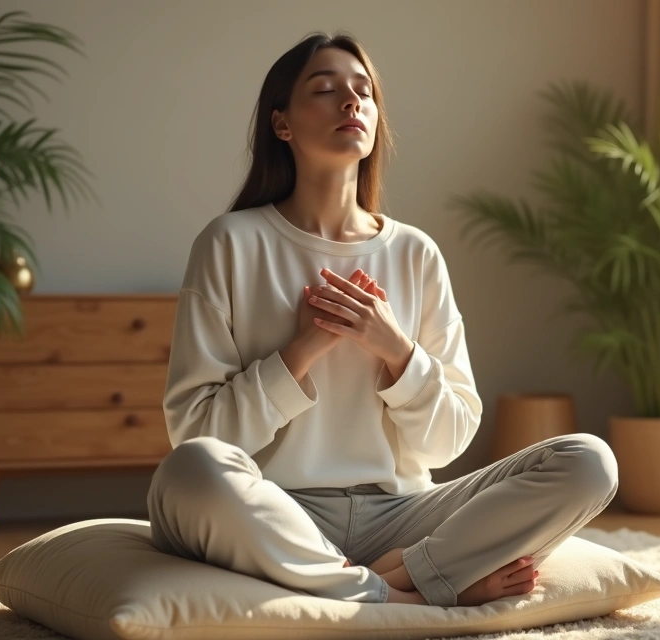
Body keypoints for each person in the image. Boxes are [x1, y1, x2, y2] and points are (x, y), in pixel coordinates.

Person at [146, 31, 619, 608]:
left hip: (403, 515)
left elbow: (449, 440)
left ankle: (396, 577)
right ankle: (404, 592)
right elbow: (197, 434)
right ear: (282, 124)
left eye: (363, 92)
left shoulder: (415, 253)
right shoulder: (230, 243)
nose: (351, 102)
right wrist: (301, 352)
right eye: (325, 89)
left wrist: (397, 351)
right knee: (188, 471)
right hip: (275, 509)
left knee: (589, 461)